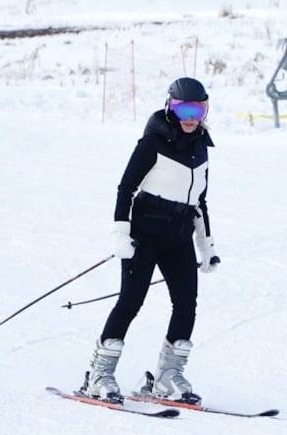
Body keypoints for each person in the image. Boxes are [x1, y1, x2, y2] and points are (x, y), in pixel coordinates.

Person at [79, 77, 220, 405]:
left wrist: (207, 247)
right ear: (170, 107)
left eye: (197, 110)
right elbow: (125, 189)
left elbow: (200, 202)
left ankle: (167, 377)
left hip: (180, 238)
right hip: (144, 236)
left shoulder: (201, 150)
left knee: (186, 305)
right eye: (183, 108)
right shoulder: (152, 144)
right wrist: (120, 234)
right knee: (130, 302)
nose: (189, 117)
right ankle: (99, 374)